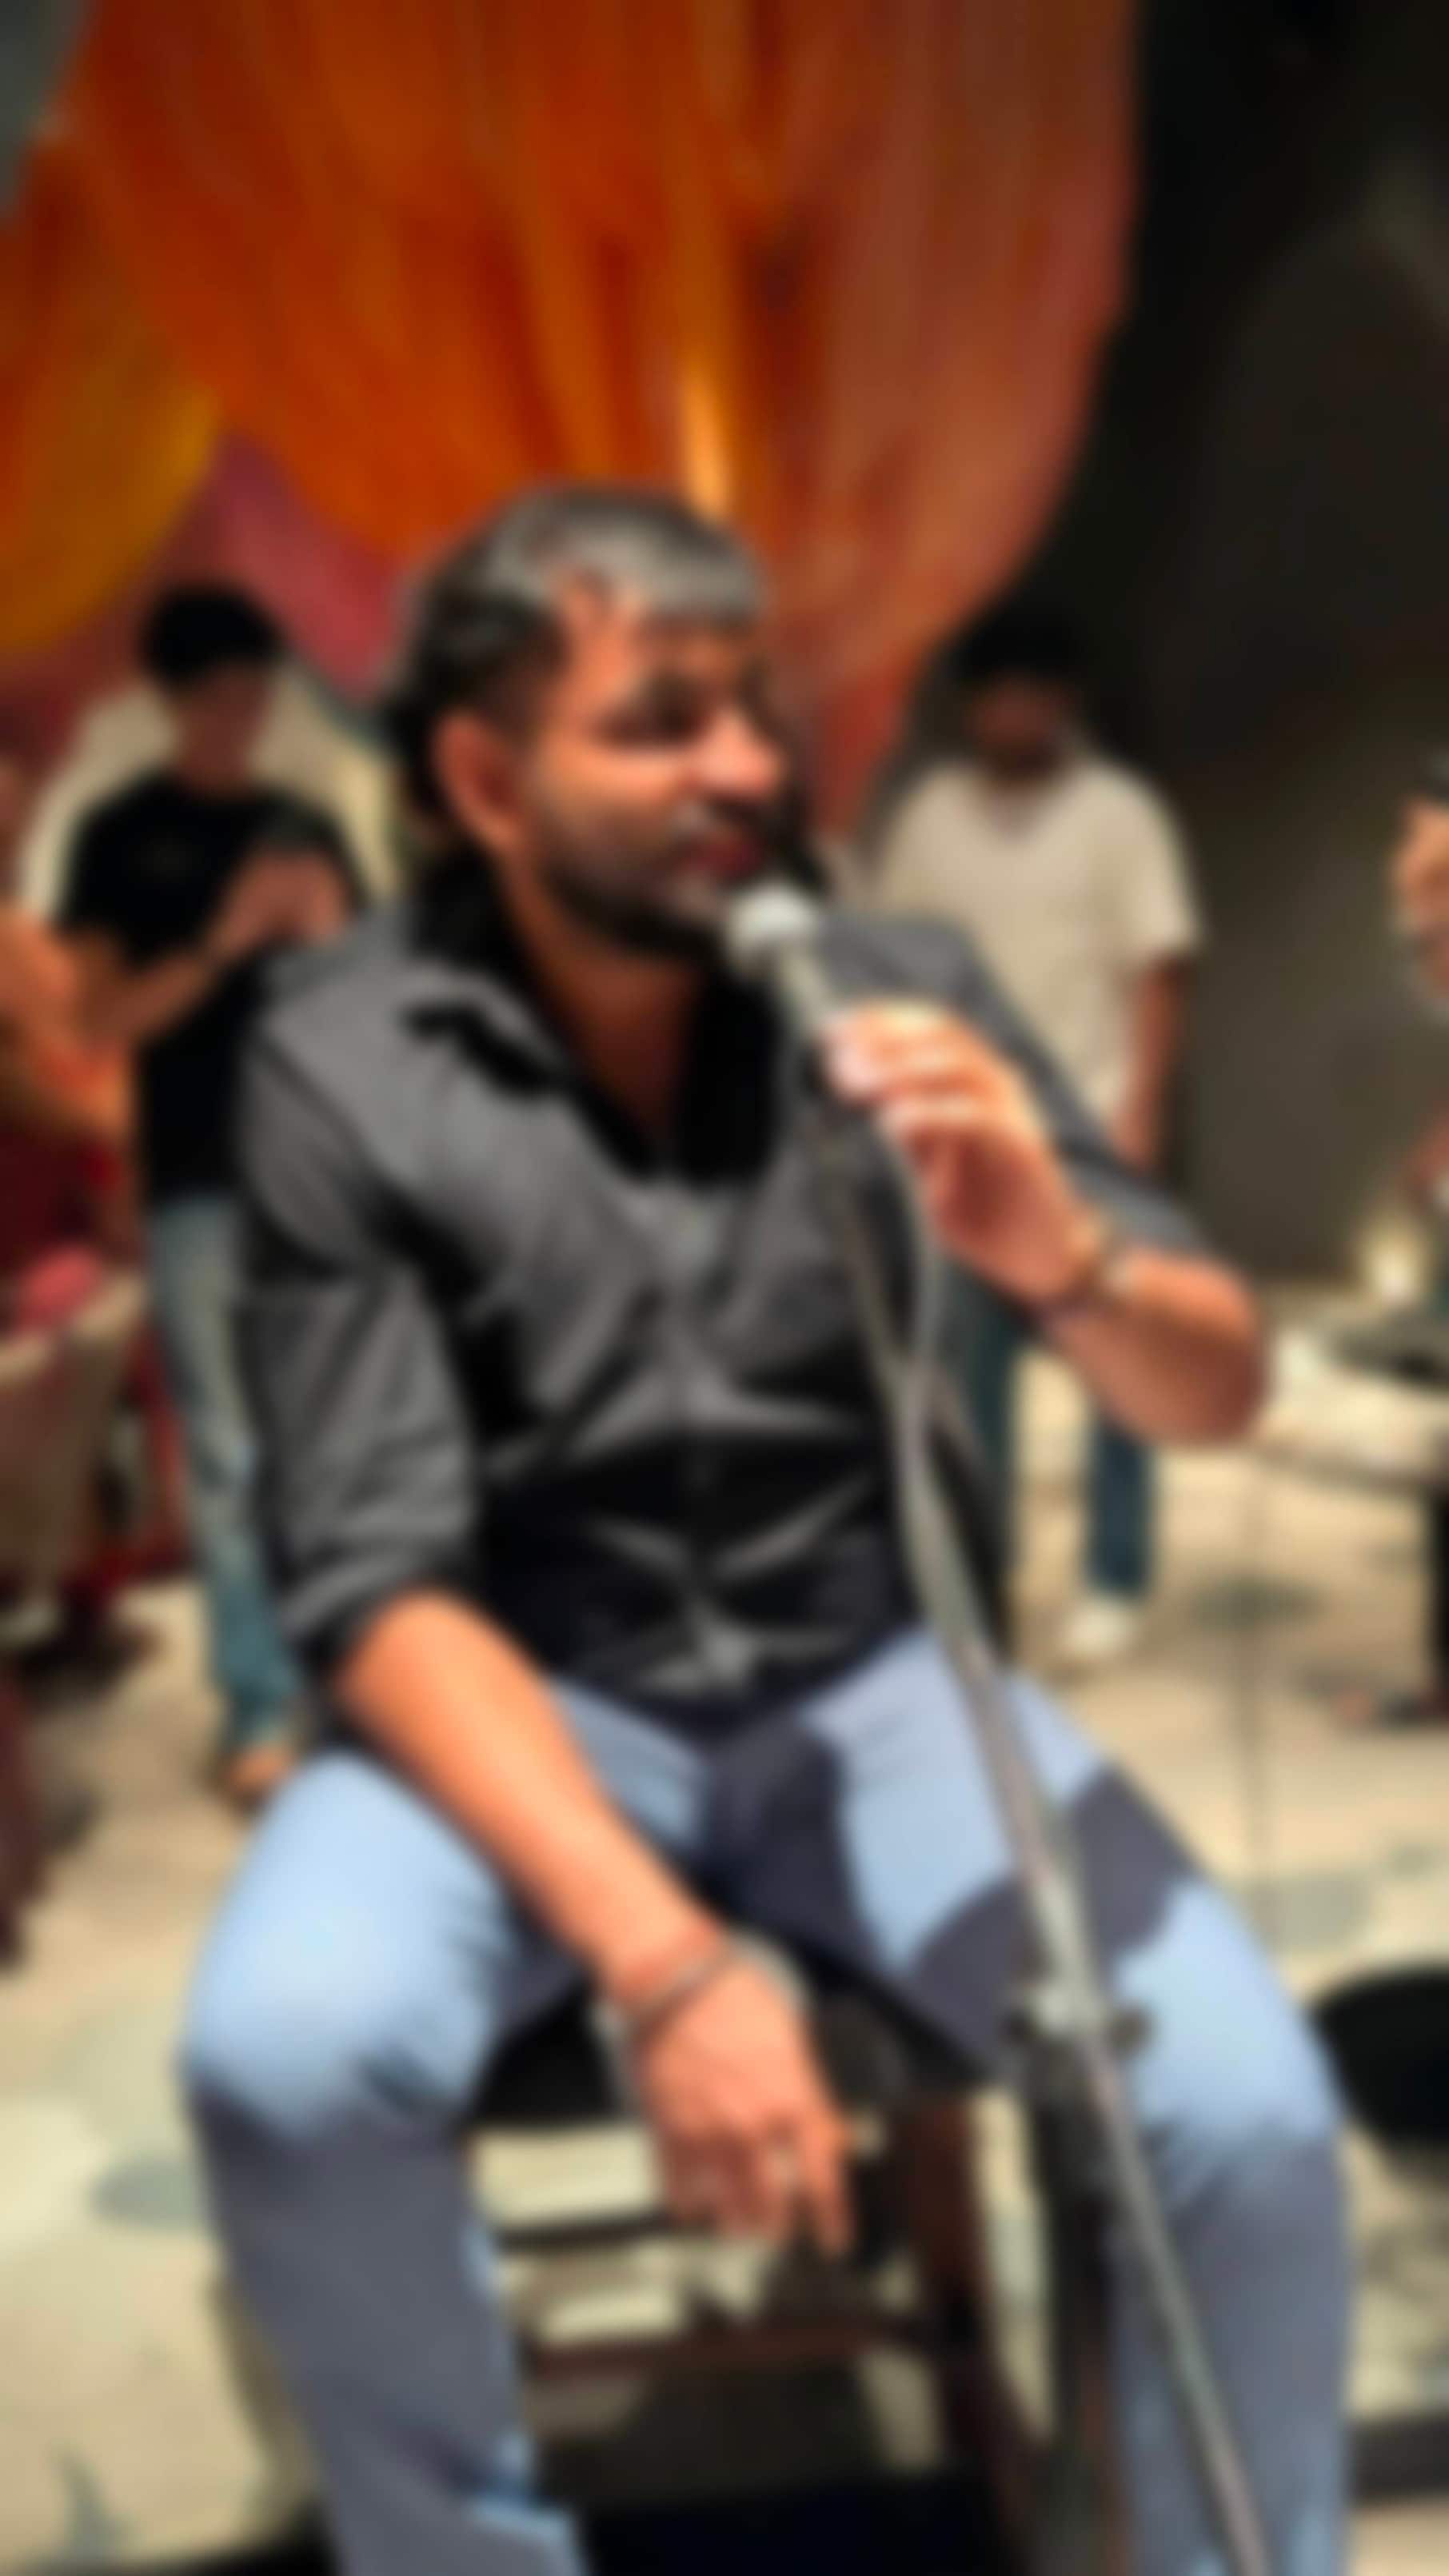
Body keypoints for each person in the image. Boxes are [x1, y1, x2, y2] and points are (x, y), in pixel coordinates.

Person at [181, 490, 1345, 2576]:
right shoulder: (340, 1057)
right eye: (659, 722)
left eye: (750, 710)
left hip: (873, 1676)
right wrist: (663, 1956)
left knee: (1238, 2111)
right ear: (483, 781)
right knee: (287, 2058)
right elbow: (365, 1570)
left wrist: (1066, 1257)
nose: (741, 766)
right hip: (520, 1691)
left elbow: (1216, 1390)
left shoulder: (896, 987)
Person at [57, 588, 362, 1809]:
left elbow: (365, 1013)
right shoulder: (120, 833)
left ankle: (360, 1687)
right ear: (171, 701)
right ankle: (260, 1703)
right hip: (198, 1176)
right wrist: (228, 938)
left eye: (257, 698)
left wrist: (326, 933)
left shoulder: (308, 824)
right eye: (220, 699)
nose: (241, 720)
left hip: (324, 1172)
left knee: (336, 1440)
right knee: (230, 1453)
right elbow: (101, 1017)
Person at [865, 612, 1204, 1673]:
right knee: (970, 1374)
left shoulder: (1119, 813)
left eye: (1032, 694)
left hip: (1091, 1125)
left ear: (1066, 700)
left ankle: (1115, 1574)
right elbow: (888, 957)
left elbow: (1160, 966)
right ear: (971, 707)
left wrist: (1142, 1109)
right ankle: (987, 1569)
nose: (1012, 715)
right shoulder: (930, 816)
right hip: (966, 1127)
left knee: (1120, 1358)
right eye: (995, 696)